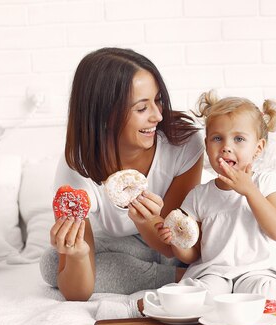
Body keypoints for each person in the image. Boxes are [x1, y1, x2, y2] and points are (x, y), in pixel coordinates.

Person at [96, 91, 276, 319]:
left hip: (260, 273)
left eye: (239, 139)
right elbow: (194, 253)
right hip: (215, 273)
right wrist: (176, 240)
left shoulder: (265, 181)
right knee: (193, 296)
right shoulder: (199, 195)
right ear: (207, 146)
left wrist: (249, 190)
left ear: (258, 148)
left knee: (266, 295)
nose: (226, 147)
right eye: (217, 138)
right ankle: (132, 309)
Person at [39, 47, 204, 301]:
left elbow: (174, 248)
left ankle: (186, 274)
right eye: (141, 109)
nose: (158, 115)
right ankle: (186, 279)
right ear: (104, 115)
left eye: (158, 100)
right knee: (53, 263)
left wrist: (146, 221)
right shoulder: (77, 166)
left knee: (213, 249)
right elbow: (77, 294)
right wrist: (79, 254)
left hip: (178, 251)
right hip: (128, 247)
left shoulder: (184, 144)